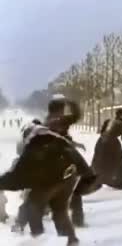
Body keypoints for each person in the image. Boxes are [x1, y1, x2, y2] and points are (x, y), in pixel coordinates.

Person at [0, 98, 97, 246]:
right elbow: (71, 149)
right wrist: (86, 173)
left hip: (50, 178)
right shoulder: (54, 132)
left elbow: (17, 176)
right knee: (59, 211)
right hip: (66, 177)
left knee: (33, 207)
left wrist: (2, 183)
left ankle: (37, 238)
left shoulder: (36, 142)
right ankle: (71, 240)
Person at [91, 108, 122, 189]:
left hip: (101, 142)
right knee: (118, 162)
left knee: (100, 162)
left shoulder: (108, 120)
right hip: (112, 144)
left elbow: (102, 131)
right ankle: (119, 182)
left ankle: (94, 180)